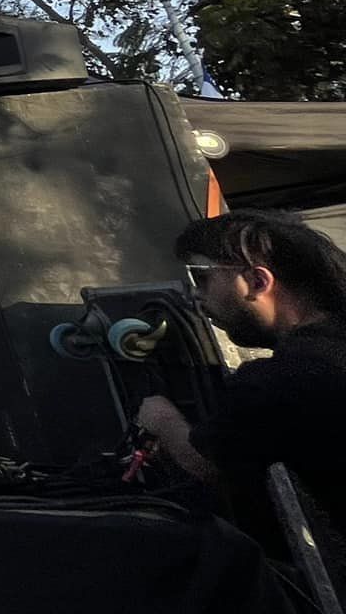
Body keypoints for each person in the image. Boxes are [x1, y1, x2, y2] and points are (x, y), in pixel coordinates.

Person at [134, 211, 346, 536]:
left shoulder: (280, 381)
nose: (196, 295)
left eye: (201, 278)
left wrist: (161, 418)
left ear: (258, 282)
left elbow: (206, 463)